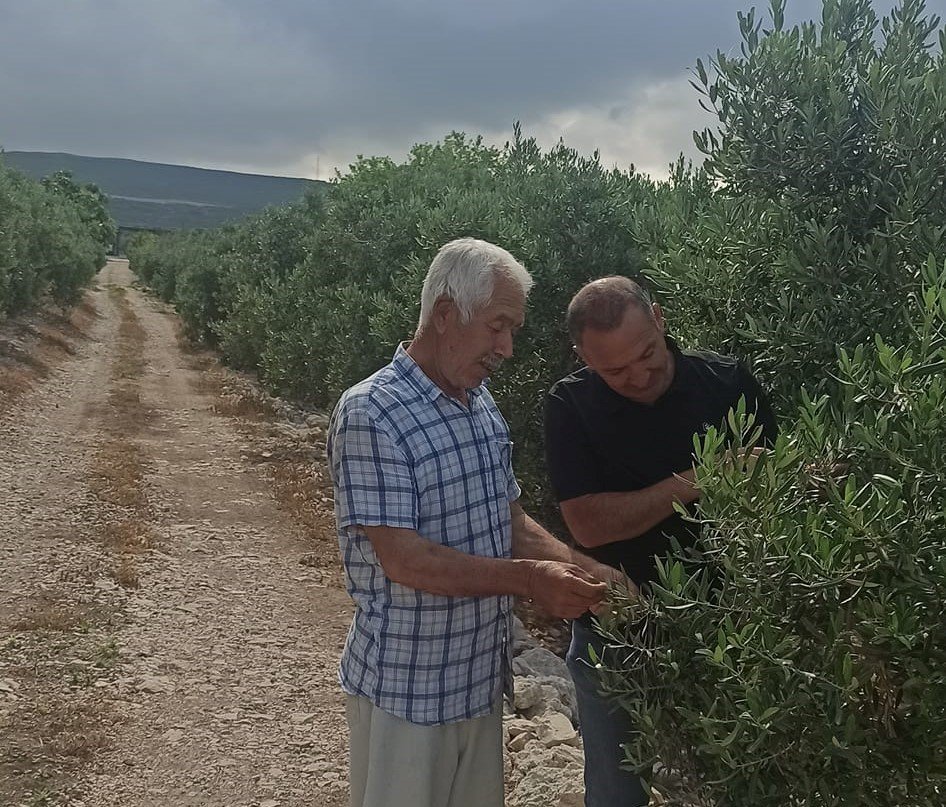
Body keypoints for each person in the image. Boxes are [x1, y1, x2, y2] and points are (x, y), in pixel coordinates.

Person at [327, 238, 622, 807]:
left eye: (512, 329)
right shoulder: (371, 413)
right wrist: (531, 581)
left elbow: (510, 521)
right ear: (445, 314)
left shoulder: (478, 404)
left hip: (478, 685)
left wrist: (590, 573)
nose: (507, 348)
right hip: (407, 691)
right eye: (498, 326)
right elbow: (406, 559)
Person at [544, 276, 778, 807]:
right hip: (618, 624)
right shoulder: (570, 406)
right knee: (616, 788)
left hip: (731, 624)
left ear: (659, 318)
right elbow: (588, 525)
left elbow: (775, 494)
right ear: (583, 357)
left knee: (741, 775)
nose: (638, 375)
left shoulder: (726, 383)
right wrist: (700, 479)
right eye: (614, 370)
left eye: (646, 354)